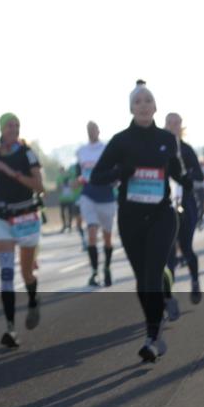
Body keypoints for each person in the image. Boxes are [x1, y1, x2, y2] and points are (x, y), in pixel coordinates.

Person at [90, 81, 185, 362]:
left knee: (152, 276)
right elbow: (97, 177)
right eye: (138, 101)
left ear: (155, 107)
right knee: (143, 281)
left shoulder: (167, 139)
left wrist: (191, 181)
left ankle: (152, 337)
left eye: (148, 100)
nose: (143, 105)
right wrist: (122, 171)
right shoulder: (121, 141)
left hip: (162, 215)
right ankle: (156, 319)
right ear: (131, 109)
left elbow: (178, 172)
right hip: (131, 217)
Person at [0, 113, 45, 345]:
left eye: (17, 125)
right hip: (1, 219)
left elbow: (39, 187)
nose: (14, 129)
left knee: (26, 273)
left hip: (26, 217)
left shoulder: (27, 153)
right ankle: (10, 329)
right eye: (9, 125)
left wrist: (12, 173)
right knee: (7, 274)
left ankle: (33, 300)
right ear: (1, 129)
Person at [163, 113, 204, 307]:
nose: (173, 126)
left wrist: (187, 174)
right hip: (166, 205)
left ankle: (195, 281)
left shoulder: (186, 150)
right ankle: (168, 296)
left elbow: (200, 175)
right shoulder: (160, 148)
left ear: (181, 126)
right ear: (165, 125)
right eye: (169, 123)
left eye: (176, 123)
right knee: (169, 252)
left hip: (186, 203)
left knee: (186, 247)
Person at [76, 121, 118, 287]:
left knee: (107, 237)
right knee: (91, 233)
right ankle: (94, 272)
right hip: (88, 195)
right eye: (88, 129)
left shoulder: (107, 149)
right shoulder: (81, 151)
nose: (91, 132)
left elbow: (115, 170)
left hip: (106, 196)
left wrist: (114, 179)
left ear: (99, 131)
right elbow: (80, 173)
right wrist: (78, 180)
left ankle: (107, 268)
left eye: (93, 129)